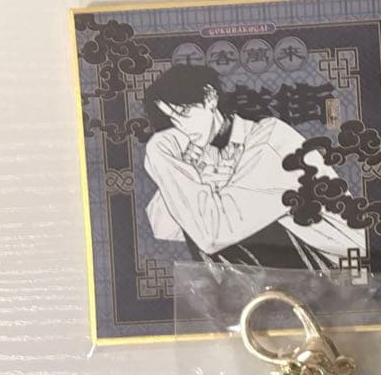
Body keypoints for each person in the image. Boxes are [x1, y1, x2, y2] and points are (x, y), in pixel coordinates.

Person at [141, 64, 366, 269]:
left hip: (346, 271)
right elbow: (164, 227)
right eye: (171, 119)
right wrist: (187, 165)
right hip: (295, 276)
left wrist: (159, 152)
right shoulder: (206, 151)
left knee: (220, 236)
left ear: (210, 97)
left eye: (184, 113)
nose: (181, 127)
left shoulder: (272, 141)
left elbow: (212, 234)